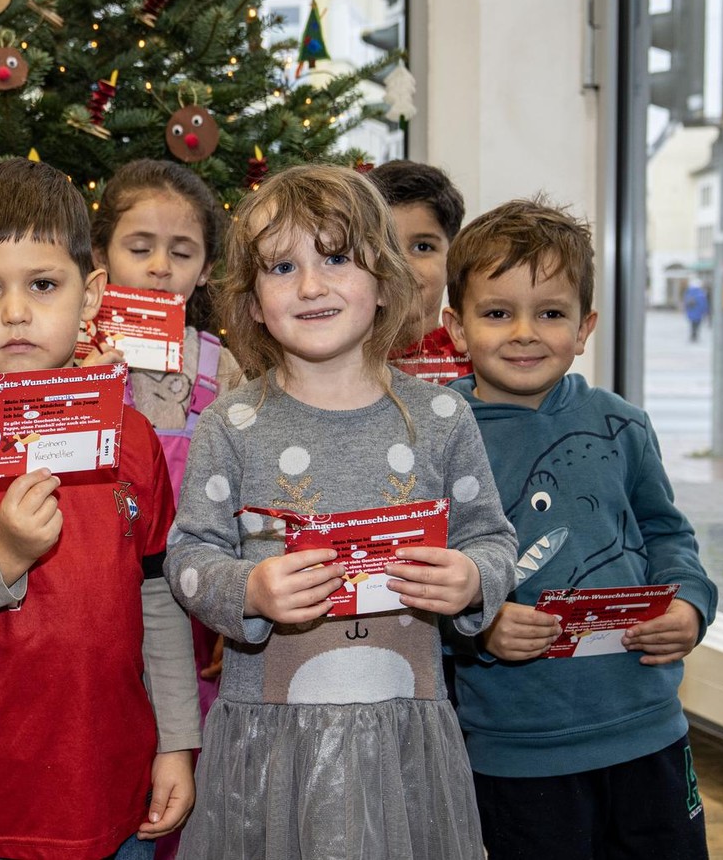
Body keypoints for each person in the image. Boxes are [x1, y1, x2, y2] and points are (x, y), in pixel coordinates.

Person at [165, 163, 516, 860]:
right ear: (252, 300)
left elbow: (493, 539)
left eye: (336, 258)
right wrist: (251, 590)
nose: (311, 286)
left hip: (402, 738)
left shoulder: (442, 417)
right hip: (272, 744)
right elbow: (189, 557)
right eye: (282, 267)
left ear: (385, 280)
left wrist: (474, 579)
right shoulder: (232, 423)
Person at [0, 157, 200, 860]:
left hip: (113, 789)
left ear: (91, 296)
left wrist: (177, 743)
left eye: (44, 285)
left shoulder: (132, 437)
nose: (16, 312)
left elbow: (159, 596)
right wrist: (5, 555)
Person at [441, 198, 716, 860]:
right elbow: (423, 577)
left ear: (585, 327)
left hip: (649, 728)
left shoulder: (622, 423)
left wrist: (689, 602)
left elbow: (668, 535)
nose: (524, 333)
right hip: (517, 749)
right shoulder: (437, 438)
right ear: (456, 328)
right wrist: (481, 624)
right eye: (497, 313)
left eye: (551, 313)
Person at [84, 160, 240, 860]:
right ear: (100, 255)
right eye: (139, 247)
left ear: (205, 270)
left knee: (187, 776)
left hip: (195, 617)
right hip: (99, 608)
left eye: (181, 252)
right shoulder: (68, 357)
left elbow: (251, 499)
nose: (159, 267)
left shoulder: (221, 368)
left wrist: (234, 607)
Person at [369, 160, 470, 383]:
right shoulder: (335, 361)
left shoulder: (478, 360)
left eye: (423, 247)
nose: (401, 264)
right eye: (384, 247)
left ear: (453, 257)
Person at [682, 278, 708, 343]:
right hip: (698, 313)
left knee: (692, 325)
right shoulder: (701, 293)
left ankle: (692, 335)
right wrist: (705, 311)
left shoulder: (688, 292)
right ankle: (695, 336)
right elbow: (703, 304)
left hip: (691, 312)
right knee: (697, 325)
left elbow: (685, 303)